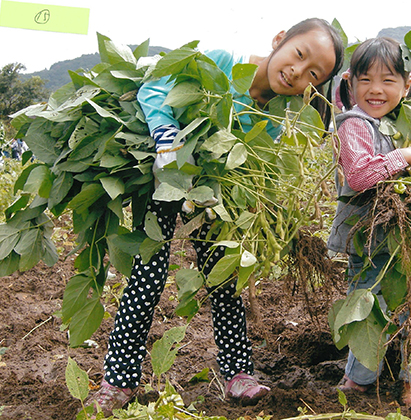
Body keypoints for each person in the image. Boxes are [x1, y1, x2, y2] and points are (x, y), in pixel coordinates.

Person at [85, 18, 344, 417]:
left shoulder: (273, 115)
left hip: (211, 198)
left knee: (224, 279)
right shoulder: (223, 62)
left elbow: (246, 163)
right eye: (298, 54)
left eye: (313, 74)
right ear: (279, 41)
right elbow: (154, 87)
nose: (297, 71)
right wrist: (165, 134)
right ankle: (118, 379)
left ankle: (238, 373)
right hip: (167, 178)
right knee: (147, 277)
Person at [327, 37, 411, 405]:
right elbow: (360, 177)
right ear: (350, 83)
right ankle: (359, 376)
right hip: (368, 238)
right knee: (367, 305)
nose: (376, 90)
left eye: (388, 80)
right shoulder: (354, 124)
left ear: (407, 83)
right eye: (365, 80)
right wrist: (404, 155)